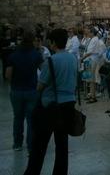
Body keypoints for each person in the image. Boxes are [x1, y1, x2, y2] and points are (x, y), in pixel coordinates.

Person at [24, 28, 77, 175]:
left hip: (50, 106)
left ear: (53, 42)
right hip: (68, 104)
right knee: (62, 144)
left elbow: (41, 85)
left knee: (40, 145)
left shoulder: (51, 61)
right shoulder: (73, 58)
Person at [5, 31, 43, 152]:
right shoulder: (36, 55)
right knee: (31, 119)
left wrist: (14, 83)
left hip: (16, 90)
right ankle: (31, 146)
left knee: (18, 118)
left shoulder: (13, 55)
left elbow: (8, 74)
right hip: (32, 90)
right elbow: (43, 71)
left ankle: (17, 143)